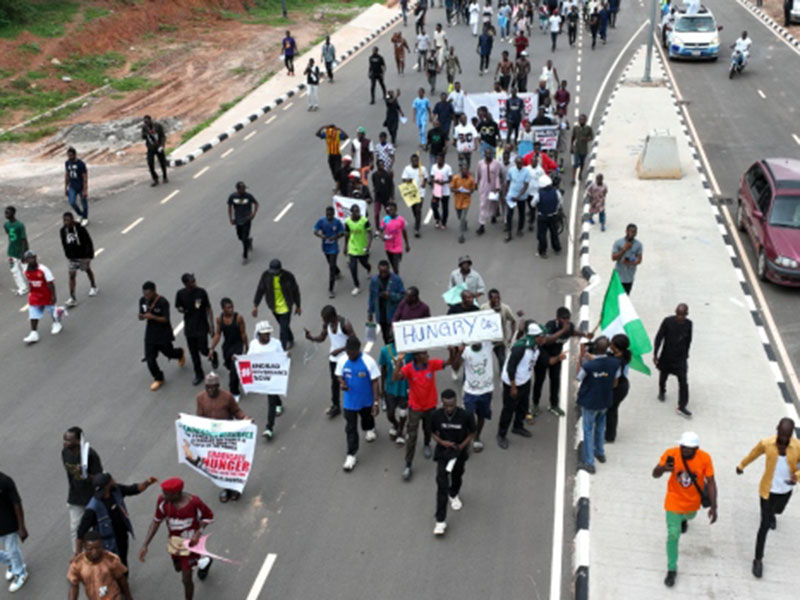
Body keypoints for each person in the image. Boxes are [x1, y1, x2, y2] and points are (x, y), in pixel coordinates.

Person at [737, 417, 800, 579]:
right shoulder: (766, 443)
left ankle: (773, 514)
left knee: (777, 511)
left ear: (791, 434)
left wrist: (797, 476)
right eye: (781, 434)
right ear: (777, 429)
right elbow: (753, 454)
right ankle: (758, 560)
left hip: (785, 490)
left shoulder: (798, 446)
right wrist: (741, 466)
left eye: (787, 436)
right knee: (764, 526)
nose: (783, 439)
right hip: (767, 491)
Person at [652, 432, 718, 588]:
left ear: (696, 449)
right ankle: (672, 569)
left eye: (688, 449)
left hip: (692, 503)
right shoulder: (671, 454)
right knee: (673, 534)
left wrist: (714, 506)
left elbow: (711, 482)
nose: (684, 451)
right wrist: (662, 469)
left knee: (690, 516)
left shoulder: (705, 458)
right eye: (683, 447)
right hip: (674, 501)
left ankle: (684, 520)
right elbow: (654, 474)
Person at [138, 478, 214, 600]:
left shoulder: (194, 502)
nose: (163, 496)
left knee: (186, 578)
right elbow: (156, 522)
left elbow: (208, 517)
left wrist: (199, 532)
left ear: (176, 494)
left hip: (191, 545)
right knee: (178, 568)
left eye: (166, 494)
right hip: (175, 543)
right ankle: (204, 562)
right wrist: (145, 545)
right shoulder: (163, 501)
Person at [393, 348, 460, 480]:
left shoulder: (432, 364)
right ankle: (408, 464)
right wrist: (398, 363)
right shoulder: (408, 368)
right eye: (424, 353)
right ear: (417, 356)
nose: (428, 355)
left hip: (430, 406)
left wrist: (451, 351)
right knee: (411, 435)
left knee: (428, 429)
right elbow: (395, 377)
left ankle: (426, 444)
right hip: (415, 408)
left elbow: (450, 362)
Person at [76, 472, 158, 567]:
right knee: (110, 566)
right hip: (106, 542)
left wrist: (148, 482)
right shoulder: (93, 508)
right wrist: (78, 553)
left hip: (121, 536)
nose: (114, 480)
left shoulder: (116, 490)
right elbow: (81, 531)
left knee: (122, 562)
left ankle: (123, 578)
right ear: (107, 485)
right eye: (111, 479)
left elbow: (133, 489)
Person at [196, 372, 252, 500]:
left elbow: (237, 411)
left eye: (213, 387)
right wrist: (185, 421)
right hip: (212, 438)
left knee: (230, 462)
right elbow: (198, 417)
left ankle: (235, 488)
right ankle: (225, 488)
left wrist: (244, 418)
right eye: (207, 387)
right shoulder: (200, 398)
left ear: (218, 386)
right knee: (219, 465)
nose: (210, 390)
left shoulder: (227, 397)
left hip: (228, 436)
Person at [497, 322, 551, 449]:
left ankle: (518, 426)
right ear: (534, 337)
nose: (543, 339)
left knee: (523, 406)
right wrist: (513, 386)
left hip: (525, 380)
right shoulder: (520, 348)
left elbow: (545, 361)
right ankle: (501, 434)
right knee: (508, 409)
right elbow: (511, 368)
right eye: (541, 337)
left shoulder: (536, 347)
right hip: (512, 382)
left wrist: (559, 358)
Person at [431, 389, 476, 536]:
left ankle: (454, 493)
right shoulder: (436, 415)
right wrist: (442, 442)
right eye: (446, 405)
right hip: (444, 453)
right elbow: (431, 432)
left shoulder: (466, 415)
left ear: (456, 402)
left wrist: (462, 446)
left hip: (459, 451)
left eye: (452, 405)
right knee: (441, 483)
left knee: (457, 476)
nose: (449, 409)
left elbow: (472, 432)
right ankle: (440, 521)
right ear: (442, 403)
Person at [534, 307, 590, 417]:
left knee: (555, 381)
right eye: (563, 319)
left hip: (557, 356)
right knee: (539, 381)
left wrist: (584, 334)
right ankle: (535, 404)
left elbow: (573, 332)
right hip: (543, 356)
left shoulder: (569, 327)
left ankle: (554, 405)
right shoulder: (550, 326)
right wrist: (563, 331)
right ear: (557, 318)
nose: (566, 321)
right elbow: (547, 340)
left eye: (568, 318)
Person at [335, 337, 381, 472]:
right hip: (349, 401)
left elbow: (375, 381)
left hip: (366, 399)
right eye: (348, 353)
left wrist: (376, 402)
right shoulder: (343, 360)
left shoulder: (368, 362)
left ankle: (369, 429)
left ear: (358, 350)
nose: (350, 356)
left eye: (352, 353)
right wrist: (341, 382)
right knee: (350, 427)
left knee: (367, 418)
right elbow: (339, 375)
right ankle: (351, 455)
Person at [576, 336, 620, 472]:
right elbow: (615, 382)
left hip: (590, 402)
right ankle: (600, 452)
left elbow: (579, 377)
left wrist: (581, 358)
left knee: (588, 430)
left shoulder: (589, 365)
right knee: (601, 426)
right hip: (605, 400)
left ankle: (589, 463)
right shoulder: (615, 363)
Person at [305, 306, 355, 419]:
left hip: (347, 358)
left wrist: (340, 350)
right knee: (335, 382)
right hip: (334, 359)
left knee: (350, 381)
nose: (323, 321)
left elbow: (355, 341)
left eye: (325, 318)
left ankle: (353, 403)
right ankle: (336, 405)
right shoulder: (326, 325)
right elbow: (322, 338)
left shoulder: (345, 324)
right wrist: (311, 338)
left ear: (332, 317)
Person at [62, 426, 103, 551]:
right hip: (75, 497)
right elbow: (69, 475)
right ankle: (78, 557)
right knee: (75, 528)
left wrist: (85, 475)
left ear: (78, 441)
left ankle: (100, 553)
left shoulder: (90, 455)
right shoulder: (65, 453)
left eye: (68, 440)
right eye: (64, 439)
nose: (64, 442)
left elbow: (99, 478)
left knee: (96, 526)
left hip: (91, 498)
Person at [139, 281, 185, 390]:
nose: (146, 296)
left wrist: (153, 317)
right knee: (150, 358)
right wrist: (141, 316)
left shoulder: (163, 302)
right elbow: (141, 315)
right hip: (150, 334)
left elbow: (165, 319)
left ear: (154, 291)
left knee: (168, 353)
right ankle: (158, 378)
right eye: (144, 294)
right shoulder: (143, 301)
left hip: (163, 333)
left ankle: (180, 353)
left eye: (148, 294)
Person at [247, 321, 287, 439]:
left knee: (271, 399)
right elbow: (248, 358)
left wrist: (287, 356)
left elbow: (281, 357)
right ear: (258, 334)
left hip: (274, 377)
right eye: (264, 334)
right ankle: (279, 403)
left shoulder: (276, 343)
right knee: (273, 396)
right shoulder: (254, 344)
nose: (267, 336)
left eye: (268, 333)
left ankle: (269, 428)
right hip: (262, 377)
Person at [175, 273, 215, 386]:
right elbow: (178, 306)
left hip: (202, 326)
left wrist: (212, 326)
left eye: (194, 280)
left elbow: (208, 309)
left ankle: (212, 354)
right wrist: (181, 310)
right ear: (185, 284)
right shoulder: (180, 294)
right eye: (191, 281)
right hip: (189, 328)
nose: (194, 282)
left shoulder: (201, 292)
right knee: (193, 353)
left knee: (203, 350)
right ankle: (199, 374)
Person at [252, 259, 302, 350]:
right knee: (283, 325)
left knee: (283, 330)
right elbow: (260, 290)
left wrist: (298, 305)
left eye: (275, 272)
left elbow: (295, 291)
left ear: (280, 270)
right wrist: (256, 305)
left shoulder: (288, 276)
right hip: (274, 306)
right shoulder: (266, 276)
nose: (273, 274)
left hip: (286, 306)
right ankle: (290, 338)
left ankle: (282, 351)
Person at [68, 530, 132, 600]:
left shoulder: (111, 559)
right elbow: (74, 586)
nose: (94, 552)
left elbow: (121, 579)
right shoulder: (78, 564)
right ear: (85, 547)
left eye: (97, 548)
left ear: (102, 545)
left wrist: (128, 597)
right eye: (90, 549)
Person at [654, 303, 692, 417]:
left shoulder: (689, 324)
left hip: (680, 358)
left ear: (686, 314)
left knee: (683, 382)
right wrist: (655, 354)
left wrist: (686, 353)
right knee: (663, 375)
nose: (680, 317)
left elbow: (689, 340)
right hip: (667, 356)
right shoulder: (668, 321)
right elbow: (659, 337)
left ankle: (682, 405)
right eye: (678, 314)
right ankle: (662, 390)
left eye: (682, 315)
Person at [209, 298, 247, 400]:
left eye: (232, 307)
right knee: (230, 366)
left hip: (237, 346)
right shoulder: (219, 319)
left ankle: (234, 392)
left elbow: (243, 333)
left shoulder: (238, 318)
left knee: (234, 370)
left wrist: (246, 346)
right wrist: (212, 348)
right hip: (227, 346)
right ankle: (237, 376)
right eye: (228, 308)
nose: (231, 309)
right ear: (223, 309)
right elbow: (218, 334)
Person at [23, 249, 63, 344]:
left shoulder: (43, 269)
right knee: (33, 314)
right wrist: (30, 292)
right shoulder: (26, 271)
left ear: (35, 257)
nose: (31, 260)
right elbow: (30, 282)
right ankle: (34, 333)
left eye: (32, 258)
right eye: (28, 259)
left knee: (52, 311)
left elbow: (50, 283)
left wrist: (53, 296)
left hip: (46, 293)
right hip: (35, 295)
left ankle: (56, 323)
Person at [459, 341, 493, 451]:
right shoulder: (466, 351)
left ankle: (477, 437)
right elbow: (455, 365)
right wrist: (457, 352)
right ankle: (467, 439)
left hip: (486, 390)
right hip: (470, 392)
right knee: (468, 417)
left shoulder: (488, 345)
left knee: (481, 416)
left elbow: (501, 335)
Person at [59, 211, 97, 306]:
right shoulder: (63, 231)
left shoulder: (80, 228)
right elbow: (64, 244)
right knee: (72, 275)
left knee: (87, 270)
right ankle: (72, 297)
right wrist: (67, 255)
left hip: (83, 255)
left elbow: (88, 242)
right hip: (72, 257)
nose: (66, 222)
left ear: (72, 219)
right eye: (64, 220)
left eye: (68, 220)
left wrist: (89, 256)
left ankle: (93, 286)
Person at [379, 334, 411, 446]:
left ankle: (401, 431)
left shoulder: (410, 351)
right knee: (390, 414)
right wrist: (382, 387)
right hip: (391, 387)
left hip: (404, 388)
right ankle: (396, 425)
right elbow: (383, 369)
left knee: (403, 412)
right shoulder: (385, 350)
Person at [0, 471, 27, 593]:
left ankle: (20, 572)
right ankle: (11, 561)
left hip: (8, 524)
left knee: (12, 549)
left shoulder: (5, 481)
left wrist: (21, 527)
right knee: (11, 553)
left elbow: (17, 503)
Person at [368, 260, 405, 344]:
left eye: (385, 272)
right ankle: (389, 353)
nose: (383, 274)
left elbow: (403, 295)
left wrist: (390, 296)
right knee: (385, 336)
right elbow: (371, 297)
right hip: (381, 314)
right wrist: (370, 312)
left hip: (393, 314)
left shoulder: (396, 280)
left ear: (389, 269)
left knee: (394, 336)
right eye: (381, 272)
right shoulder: (374, 281)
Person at [604, 334, 631, 442]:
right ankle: (610, 434)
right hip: (622, 385)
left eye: (612, 344)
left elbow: (614, 381)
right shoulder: (622, 355)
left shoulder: (617, 362)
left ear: (617, 347)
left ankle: (610, 436)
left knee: (611, 411)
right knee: (612, 410)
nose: (610, 344)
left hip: (617, 388)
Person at [480, 289, 517, 369]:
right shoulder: (484, 308)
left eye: (498, 298)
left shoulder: (505, 308)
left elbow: (513, 321)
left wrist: (512, 336)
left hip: (500, 340)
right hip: (487, 340)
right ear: (489, 299)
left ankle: (503, 376)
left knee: (502, 359)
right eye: (494, 298)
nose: (497, 300)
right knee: (484, 359)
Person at [313, 207, 344, 299]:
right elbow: (315, 231)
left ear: (333, 214)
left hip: (334, 248)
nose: (329, 216)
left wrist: (335, 237)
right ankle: (337, 271)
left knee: (331, 267)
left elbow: (342, 233)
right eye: (328, 215)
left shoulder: (337, 222)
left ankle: (331, 289)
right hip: (325, 247)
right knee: (330, 263)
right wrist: (321, 235)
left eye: (331, 215)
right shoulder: (321, 221)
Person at [226, 181, 259, 265]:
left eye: (245, 189)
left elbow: (256, 204)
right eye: (242, 189)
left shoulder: (248, 196)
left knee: (244, 238)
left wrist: (253, 214)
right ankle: (248, 241)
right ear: (238, 189)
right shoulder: (232, 197)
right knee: (240, 237)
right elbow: (230, 207)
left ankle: (245, 256)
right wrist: (231, 218)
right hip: (238, 220)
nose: (244, 190)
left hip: (247, 220)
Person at [344, 204, 372, 296]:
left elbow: (370, 233)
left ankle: (368, 268)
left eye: (358, 211)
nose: (357, 213)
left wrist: (368, 245)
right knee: (353, 267)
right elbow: (347, 234)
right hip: (352, 247)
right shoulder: (347, 222)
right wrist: (345, 246)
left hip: (362, 247)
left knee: (364, 263)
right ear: (351, 212)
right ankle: (357, 286)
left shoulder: (364, 221)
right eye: (355, 211)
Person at [503, 155, 531, 242]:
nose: (520, 164)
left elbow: (526, 186)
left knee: (521, 213)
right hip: (512, 195)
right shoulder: (511, 170)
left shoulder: (526, 171)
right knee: (509, 214)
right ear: (515, 163)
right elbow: (508, 181)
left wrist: (518, 196)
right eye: (518, 163)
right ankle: (509, 233)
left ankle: (520, 229)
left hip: (521, 196)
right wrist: (507, 192)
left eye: (521, 163)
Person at [476, 147, 503, 234]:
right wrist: (476, 183)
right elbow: (478, 174)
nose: (488, 155)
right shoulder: (480, 163)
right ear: (484, 154)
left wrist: (497, 187)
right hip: (484, 187)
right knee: (483, 205)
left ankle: (493, 215)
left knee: (494, 203)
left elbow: (498, 176)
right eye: (486, 153)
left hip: (493, 187)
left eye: (490, 153)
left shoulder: (496, 164)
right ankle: (482, 224)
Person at [401, 153, 428, 237]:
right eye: (413, 161)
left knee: (418, 209)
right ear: (411, 161)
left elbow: (426, 177)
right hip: (411, 191)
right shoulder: (407, 169)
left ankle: (417, 229)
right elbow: (403, 179)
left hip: (420, 192)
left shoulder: (422, 169)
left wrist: (424, 183)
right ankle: (417, 220)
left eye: (416, 161)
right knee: (413, 209)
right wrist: (407, 180)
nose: (415, 162)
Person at [535, 174, 562, 257]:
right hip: (553, 216)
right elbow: (560, 203)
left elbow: (533, 203)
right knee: (554, 233)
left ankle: (542, 251)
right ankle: (557, 248)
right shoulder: (556, 192)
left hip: (542, 216)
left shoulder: (539, 194)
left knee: (542, 234)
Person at [611, 223, 643, 294]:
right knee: (616, 297)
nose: (631, 234)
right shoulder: (618, 242)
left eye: (634, 232)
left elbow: (639, 259)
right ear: (626, 231)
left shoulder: (638, 245)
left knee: (625, 297)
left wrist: (631, 262)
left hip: (629, 277)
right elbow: (613, 258)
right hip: (618, 276)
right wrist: (624, 249)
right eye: (630, 231)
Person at [4, 206, 28, 296]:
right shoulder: (6, 225)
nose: (6, 215)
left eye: (8, 213)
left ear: (13, 214)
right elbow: (8, 235)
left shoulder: (20, 225)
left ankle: (34, 285)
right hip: (11, 251)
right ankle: (22, 287)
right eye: (5, 213)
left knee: (26, 270)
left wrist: (23, 253)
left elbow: (24, 240)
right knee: (14, 271)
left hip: (21, 251)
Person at [381, 202, 410, 274]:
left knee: (396, 265)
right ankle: (395, 274)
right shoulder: (385, 219)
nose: (391, 212)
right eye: (390, 210)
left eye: (393, 210)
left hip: (398, 247)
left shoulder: (401, 220)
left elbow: (404, 232)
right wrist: (382, 237)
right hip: (388, 246)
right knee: (392, 264)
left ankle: (396, 278)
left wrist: (407, 244)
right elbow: (380, 230)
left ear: (396, 210)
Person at [451, 163, 476, 244]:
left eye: (466, 170)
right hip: (457, 200)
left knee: (462, 217)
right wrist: (458, 190)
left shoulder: (471, 179)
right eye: (463, 170)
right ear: (461, 170)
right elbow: (452, 188)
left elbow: (473, 189)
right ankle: (465, 222)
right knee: (459, 216)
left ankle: (461, 235)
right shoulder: (455, 178)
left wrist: (469, 191)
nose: (465, 171)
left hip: (466, 200)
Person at [64, 147, 89, 226]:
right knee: (72, 202)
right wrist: (66, 187)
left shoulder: (81, 164)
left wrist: (85, 189)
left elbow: (85, 177)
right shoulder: (67, 163)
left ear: (75, 155)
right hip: (72, 186)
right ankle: (80, 214)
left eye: (71, 155)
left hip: (81, 186)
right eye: (68, 156)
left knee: (84, 203)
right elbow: (67, 175)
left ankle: (85, 218)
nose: (70, 157)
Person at [141, 115, 167, 187]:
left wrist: (162, 145)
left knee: (162, 162)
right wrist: (146, 134)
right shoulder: (145, 127)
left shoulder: (158, 126)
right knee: (150, 163)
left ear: (150, 120)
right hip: (150, 148)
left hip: (159, 147)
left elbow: (163, 136)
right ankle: (155, 178)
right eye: (145, 122)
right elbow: (142, 137)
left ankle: (165, 177)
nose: (146, 124)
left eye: (147, 122)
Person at [429, 153, 453, 229]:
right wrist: (433, 182)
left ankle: (444, 222)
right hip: (437, 191)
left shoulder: (447, 168)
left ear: (443, 160)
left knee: (445, 208)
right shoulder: (434, 167)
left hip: (445, 191)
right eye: (437, 159)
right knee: (433, 205)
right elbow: (432, 177)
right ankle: (437, 218)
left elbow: (450, 178)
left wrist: (444, 182)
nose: (438, 161)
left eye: (440, 159)